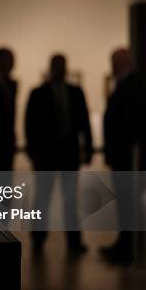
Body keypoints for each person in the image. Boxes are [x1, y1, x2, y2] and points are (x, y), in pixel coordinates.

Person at [25, 54, 93, 255]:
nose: (60, 70)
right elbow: (30, 126)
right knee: (42, 200)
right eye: (57, 66)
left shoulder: (75, 92)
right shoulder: (38, 93)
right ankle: (38, 239)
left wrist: (87, 148)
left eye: (62, 66)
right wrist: (34, 154)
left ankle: (74, 242)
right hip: (46, 156)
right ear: (51, 68)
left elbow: (84, 122)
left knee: (70, 200)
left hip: (69, 154)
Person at [101, 48, 137, 264]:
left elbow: (128, 122)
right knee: (124, 203)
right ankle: (124, 245)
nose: (111, 66)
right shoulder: (128, 84)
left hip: (126, 156)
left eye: (114, 61)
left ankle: (126, 249)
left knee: (127, 203)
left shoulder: (131, 84)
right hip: (123, 155)